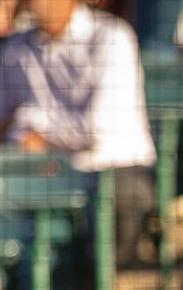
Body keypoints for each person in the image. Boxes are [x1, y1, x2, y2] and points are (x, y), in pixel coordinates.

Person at [0, 0, 155, 268]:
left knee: (119, 195)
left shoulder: (112, 37)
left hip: (115, 170)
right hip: (45, 171)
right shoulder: (15, 49)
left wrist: (33, 125)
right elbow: (3, 121)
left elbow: (98, 128)